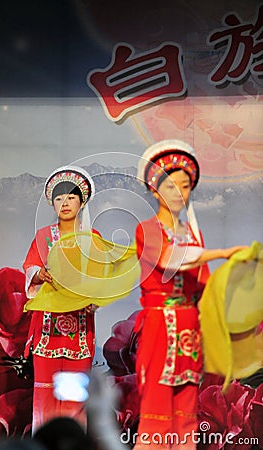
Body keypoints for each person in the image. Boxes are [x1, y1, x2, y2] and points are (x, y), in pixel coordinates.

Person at [133, 140, 247, 450]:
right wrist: (221, 252)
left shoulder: (193, 235)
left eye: (185, 187)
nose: (180, 193)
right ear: (155, 191)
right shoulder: (147, 229)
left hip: (188, 325)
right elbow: (172, 260)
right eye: (171, 186)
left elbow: (202, 284)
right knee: (156, 407)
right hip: (160, 325)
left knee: (186, 406)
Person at [23, 166, 100, 433]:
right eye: (58, 199)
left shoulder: (92, 239)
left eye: (70, 197)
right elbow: (30, 268)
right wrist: (38, 274)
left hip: (79, 328)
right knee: (45, 394)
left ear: (81, 202)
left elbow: (101, 279)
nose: (64, 203)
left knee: (74, 396)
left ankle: (73, 442)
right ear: (52, 204)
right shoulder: (43, 235)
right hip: (48, 327)